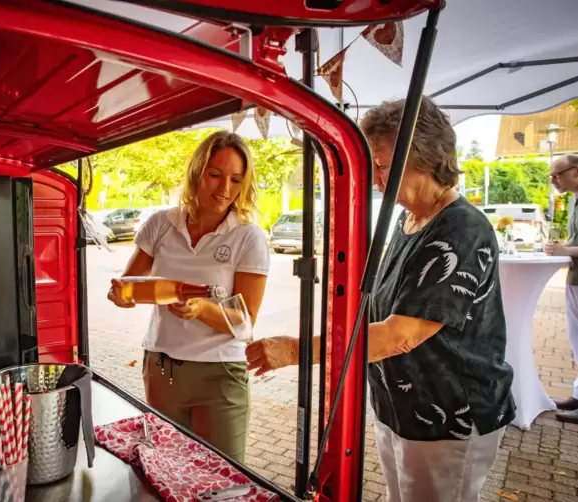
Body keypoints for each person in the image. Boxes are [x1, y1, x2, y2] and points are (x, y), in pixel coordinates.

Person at [245, 97, 515, 502]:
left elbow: (400, 334)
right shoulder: (410, 220)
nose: (373, 177)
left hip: (448, 415)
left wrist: (299, 350)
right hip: (403, 408)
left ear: (424, 156)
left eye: (383, 165)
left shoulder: (460, 229)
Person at [107, 131, 270, 462]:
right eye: (215, 175)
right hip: (162, 367)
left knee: (222, 477)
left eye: (236, 179)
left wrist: (203, 309)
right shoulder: (161, 224)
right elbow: (129, 285)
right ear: (197, 171)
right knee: (164, 468)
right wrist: (120, 295)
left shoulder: (248, 237)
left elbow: (246, 324)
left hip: (220, 374)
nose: (224, 189)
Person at [544, 154, 578, 424]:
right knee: (576, 341)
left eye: (556, 174)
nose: (553, 180)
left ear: (575, 172)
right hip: (574, 279)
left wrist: (565, 250)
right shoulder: (574, 199)